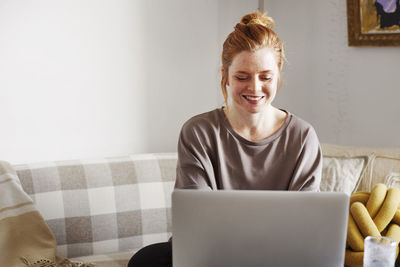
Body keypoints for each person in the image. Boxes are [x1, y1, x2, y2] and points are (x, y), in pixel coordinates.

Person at [128, 10, 322, 267]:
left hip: (278, 254)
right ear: (225, 75)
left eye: (265, 77)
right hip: (210, 253)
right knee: (145, 260)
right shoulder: (198, 131)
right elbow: (197, 218)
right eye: (242, 77)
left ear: (278, 74)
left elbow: (304, 224)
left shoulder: (302, 136)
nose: (254, 88)